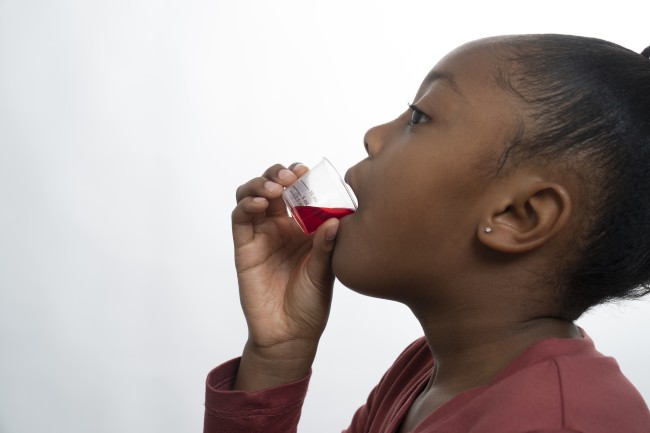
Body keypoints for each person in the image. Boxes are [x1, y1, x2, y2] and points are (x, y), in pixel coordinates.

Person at [204, 34, 650, 432]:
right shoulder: (425, 373)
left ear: (520, 215)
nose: (372, 135)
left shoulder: (561, 421)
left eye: (418, 117)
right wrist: (277, 354)